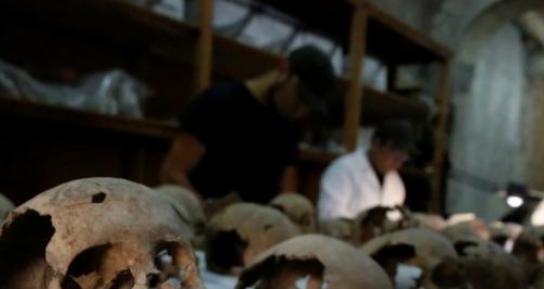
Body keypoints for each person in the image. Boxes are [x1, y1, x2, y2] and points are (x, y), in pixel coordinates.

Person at [159, 45, 337, 205]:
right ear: (283, 70)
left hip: (256, 230)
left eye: (308, 105)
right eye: (300, 96)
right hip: (202, 222)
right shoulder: (219, 103)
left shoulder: (290, 124)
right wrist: (204, 215)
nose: (302, 109)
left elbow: (286, 190)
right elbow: (172, 172)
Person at [317, 120, 413, 221]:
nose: (398, 161)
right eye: (394, 153)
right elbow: (329, 217)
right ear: (375, 143)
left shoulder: (397, 185)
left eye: (403, 156)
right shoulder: (343, 169)